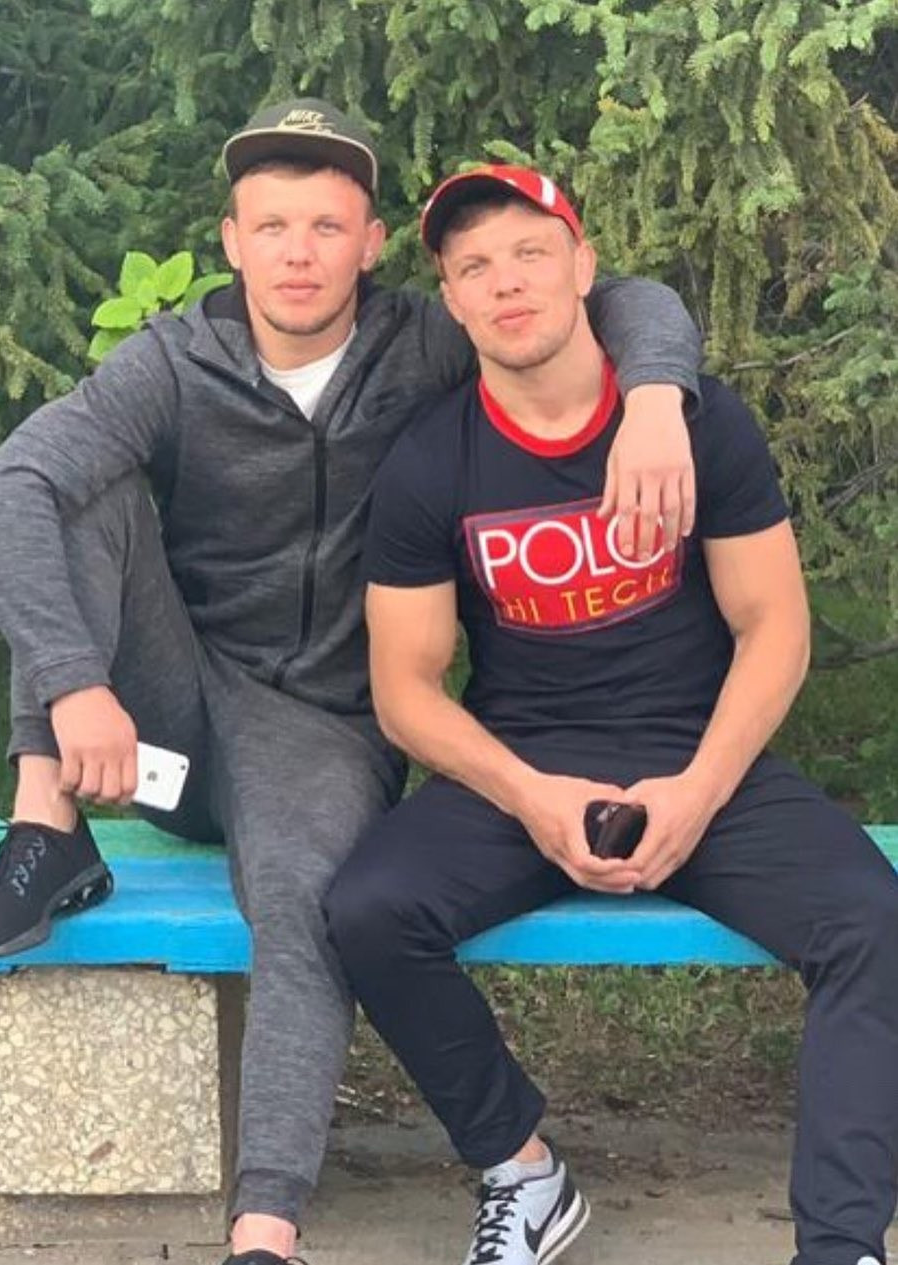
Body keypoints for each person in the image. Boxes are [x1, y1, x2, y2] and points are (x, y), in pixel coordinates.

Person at [0, 99, 705, 1265]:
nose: (297, 253)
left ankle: (264, 1230)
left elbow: (628, 302)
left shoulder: (423, 344)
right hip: (166, 714)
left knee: (304, 898)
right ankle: (46, 825)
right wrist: (72, 684)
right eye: (272, 226)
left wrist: (654, 395)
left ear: (369, 243)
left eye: (325, 226)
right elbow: (0, 494)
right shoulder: (172, 360)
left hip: (322, 731)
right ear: (232, 240)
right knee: (66, 487)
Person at [324, 164, 898, 1265]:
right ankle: (523, 1170)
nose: (507, 282)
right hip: (530, 764)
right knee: (367, 907)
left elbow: (774, 628)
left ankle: (840, 1243)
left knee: (871, 920)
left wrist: (701, 790)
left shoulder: (698, 425)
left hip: (699, 755)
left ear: (584, 267)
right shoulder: (431, 460)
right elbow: (406, 689)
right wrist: (529, 796)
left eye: (530, 253)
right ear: (452, 299)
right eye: (474, 266)